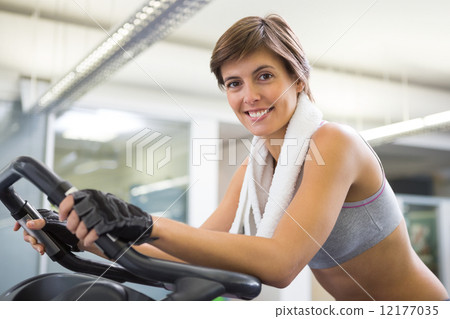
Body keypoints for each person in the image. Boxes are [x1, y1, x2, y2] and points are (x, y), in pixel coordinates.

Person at [16, 14, 448, 301]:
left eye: (264, 76)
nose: (249, 96)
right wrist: (84, 236)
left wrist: (146, 222)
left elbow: (280, 264)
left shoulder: (334, 143)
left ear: (297, 79)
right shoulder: (255, 169)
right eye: (233, 83)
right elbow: (193, 252)